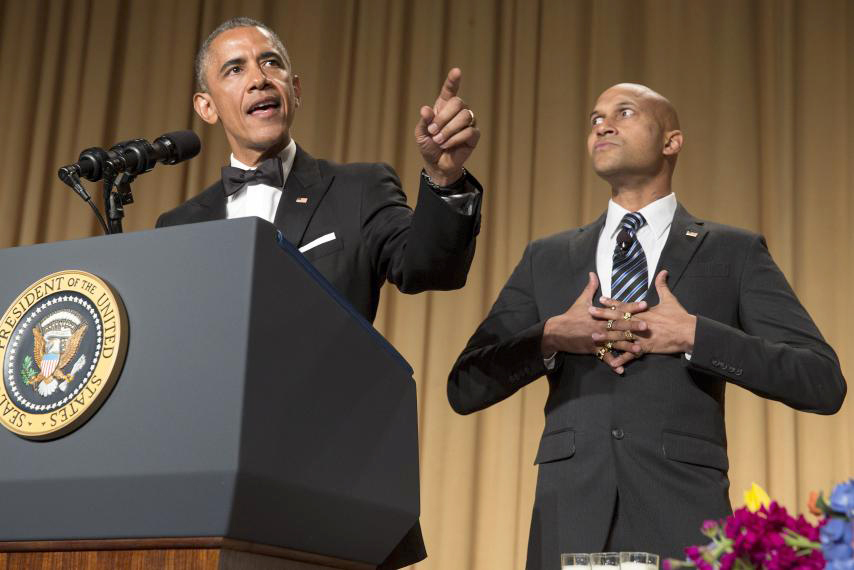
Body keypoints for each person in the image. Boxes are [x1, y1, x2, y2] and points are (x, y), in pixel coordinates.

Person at [447, 83, 846, 569]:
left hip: (681, 520)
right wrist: (550, 336)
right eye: (595, 119)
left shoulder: (733, 253)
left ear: (671, 141)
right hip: (570, 519)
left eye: (624, 112)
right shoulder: (547, 258)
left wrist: (695, 335)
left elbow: (822, 382)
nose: (603, 125)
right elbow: (465, 386)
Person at [157, 17, 484, 569]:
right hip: (211, 500)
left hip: (334, 490)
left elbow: (429, 267)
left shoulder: (357, 188)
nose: (259, 78)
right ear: (206, 106)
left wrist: (444, 180)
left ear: (296, 89)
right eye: (235, 69)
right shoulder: (178, 227)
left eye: (272, 64)